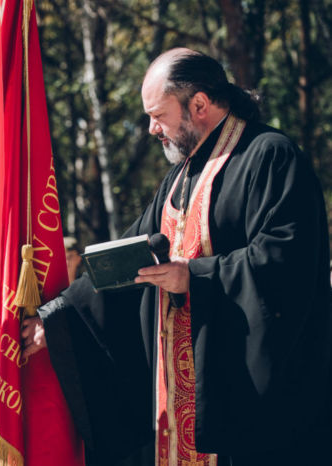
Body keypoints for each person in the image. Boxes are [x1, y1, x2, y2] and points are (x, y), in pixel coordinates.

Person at [22, 48, 331, 466]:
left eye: (158, 115)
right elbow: (128, 261)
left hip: (247, 407)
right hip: (180, 408)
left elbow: (287, 263)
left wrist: (195, 276)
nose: (151, 129)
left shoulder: (270, 156)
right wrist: (56, 318)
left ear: (199, 104)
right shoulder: (179, 178)